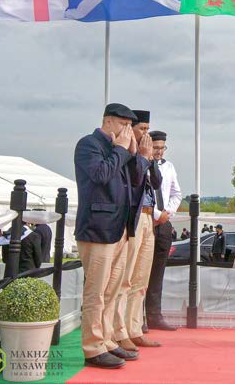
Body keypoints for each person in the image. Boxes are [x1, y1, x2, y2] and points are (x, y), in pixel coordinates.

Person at [75, 102, 151, 370]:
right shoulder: (89, 145)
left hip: (119, 229)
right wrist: (120, 150)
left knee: (113, 289)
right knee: (96, 291)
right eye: (123, 125)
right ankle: (92, 346)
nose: (128, 131)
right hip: (97, 228)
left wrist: (138, 155)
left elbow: (136, 181)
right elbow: (100, 174)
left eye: (130, 126)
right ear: (108, 122)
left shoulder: (120, 151)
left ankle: (106, 339)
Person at [114, 110, 162, 351]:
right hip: (131, 219)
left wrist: (150, 158)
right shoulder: (126, 153)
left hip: (148, 218)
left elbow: (157, 183)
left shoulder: (145, 154)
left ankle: (134, 328)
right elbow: (133, 180)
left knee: (141, 279)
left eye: (147, 130)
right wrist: (141, 156)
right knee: (126, 278)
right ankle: (118, 330)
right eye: (142, 129)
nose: (146, 135)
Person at [145, 130, 182, 331]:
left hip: (164, 224)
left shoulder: (169, 167)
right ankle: (138, 318)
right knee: (141, 272)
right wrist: (157, 214)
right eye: (156, 148)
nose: (159, 152)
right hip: (148, 221)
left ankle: (154, 315)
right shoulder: (142, 166)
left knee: (158, 272)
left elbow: (177, 193)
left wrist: (168, 212)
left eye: (162, 148)